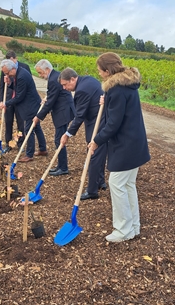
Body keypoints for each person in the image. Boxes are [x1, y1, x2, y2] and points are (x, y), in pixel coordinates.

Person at [88, 52, 150, 242]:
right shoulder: (128, 85)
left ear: (107, 71)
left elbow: (113, 124)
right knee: (128, 184)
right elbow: (121, 110)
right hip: (135, 142)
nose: (99, 74)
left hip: (126, 145)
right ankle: (134, 226)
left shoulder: (116, 90)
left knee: (116, 183)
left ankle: (123, 230)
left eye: (100, 71)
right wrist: (107, 103)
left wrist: (96, 140)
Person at [59, 67, 107, 200]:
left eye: (65, 84)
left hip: (97, 122)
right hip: (99, 119)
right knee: (99, 154)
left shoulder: (81, 90)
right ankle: (100, 181)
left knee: (94, 154)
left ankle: (92, 190)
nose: (64, 88)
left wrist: (67, 134)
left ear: (73, 79)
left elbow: (79, 116)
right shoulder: (88, 80)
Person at [33, 59, 76, 176]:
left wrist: (38, 117)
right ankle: (61, 166)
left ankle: (63, 168)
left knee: (59, 139)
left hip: (64, 112)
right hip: (63, 110)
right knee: (58, 138)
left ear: (47, 69)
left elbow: (51, 101)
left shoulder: (53, 79)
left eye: (41, 73)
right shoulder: (55, 76)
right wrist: (47, 98)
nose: (40, 76)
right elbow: (52, 95)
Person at [0, 59, 47, 162]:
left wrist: (6, 103)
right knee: (36, 127)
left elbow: (19, 96)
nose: (6, 75)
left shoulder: (21, 76)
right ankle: (43, 149)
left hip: (31, 105)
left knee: (29, 129)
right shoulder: (18, 73)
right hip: (32, 103)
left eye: (7, 73)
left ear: (12, 69)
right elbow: (17, 88)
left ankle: (29, 155)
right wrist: (9, 83)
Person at [0, 50, 31, 152]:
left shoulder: (24, 67)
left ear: (15, 59)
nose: (10, 64)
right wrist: (1, 100)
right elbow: (1, 86)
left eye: (11, 61)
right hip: (8, 98)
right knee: (8, 122)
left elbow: (28, 85)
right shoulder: (4, 69)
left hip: (20, 100)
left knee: (20, 123)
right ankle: (8, 144)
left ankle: (20, 143)